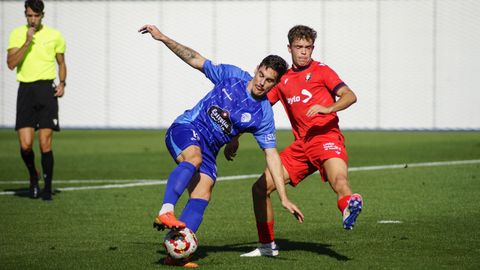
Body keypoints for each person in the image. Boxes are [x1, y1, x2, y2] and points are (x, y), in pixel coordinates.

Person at [138, 24, 304, 267]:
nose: (262, 83)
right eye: (261, 75)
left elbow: (272, 156)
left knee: (204, 191)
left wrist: (283, 197)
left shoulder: (263, 114)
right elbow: (196, 59)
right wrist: (163, 38)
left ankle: (178, 252)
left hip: (210, 149)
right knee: (193, 159)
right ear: (256, 69)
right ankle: (166, 209)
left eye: (269, 81)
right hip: (187, 129)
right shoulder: (232, 76)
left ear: (275, 84)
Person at [229, 25, 363, 257]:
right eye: (299, 47)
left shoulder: (323, 71)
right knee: (260, 189)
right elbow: (257, 108)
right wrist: (235, 137)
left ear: (313, 48)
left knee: (339, 179)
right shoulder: (281, 80)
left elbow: (350, 95)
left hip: (326, 138)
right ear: (289, 48)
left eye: (308, 47)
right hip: (301, 147)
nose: (304, 52)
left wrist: (328, 108)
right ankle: (267, 246)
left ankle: (349, 205)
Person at [7, 0, 67, 201]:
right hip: (25, 90)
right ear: (25, 14)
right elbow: (10, 64)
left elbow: (61, 62)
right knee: (25, 146)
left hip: (45, 91)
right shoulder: (17, 33)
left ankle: (47, 188)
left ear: (42, 15)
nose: (33, 19)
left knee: (45, 144)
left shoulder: (54, 35)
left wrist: (62, 83)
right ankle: (34, 175)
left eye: (36, 15)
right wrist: (26, 41)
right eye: (29, 15)